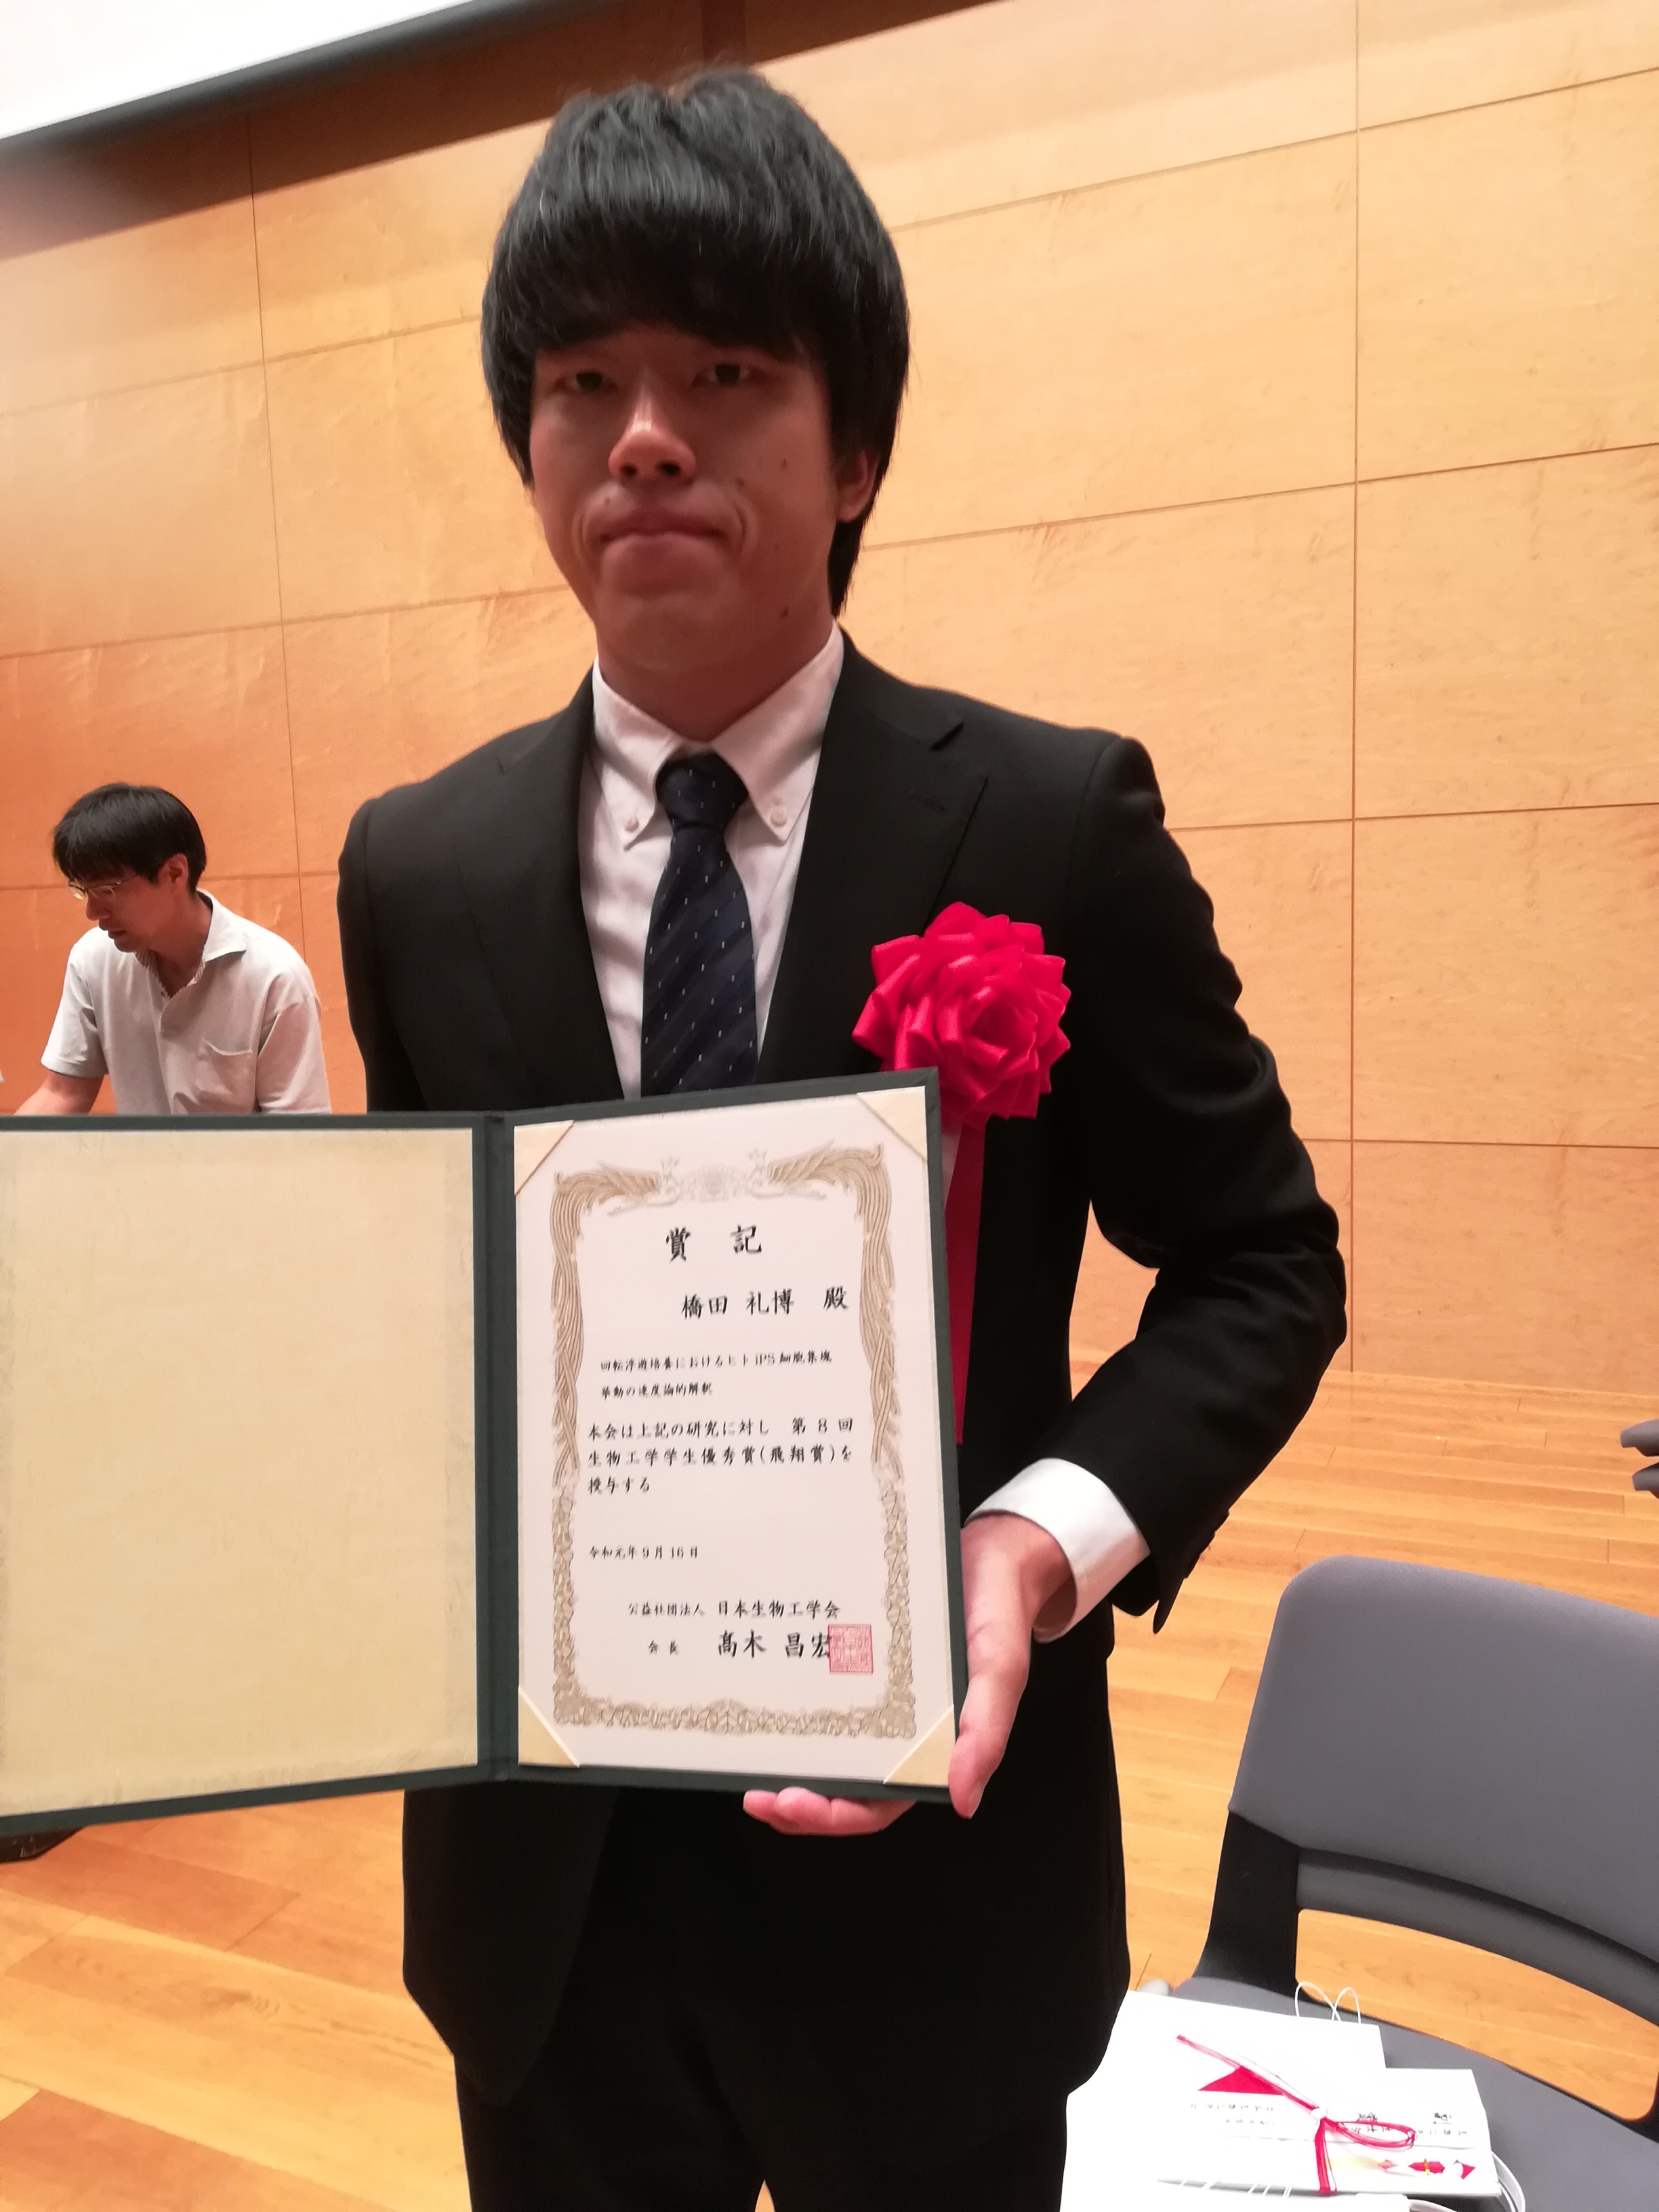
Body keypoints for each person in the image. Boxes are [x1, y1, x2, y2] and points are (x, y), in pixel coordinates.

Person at [337, 71, 1346, 2212]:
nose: (643, 434)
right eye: (582, 380)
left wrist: (1036, 1543)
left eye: (724, 371)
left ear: (857, 443)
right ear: (529, 444)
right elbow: (429, 1311)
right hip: (546, 1908)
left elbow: (1263, 1262)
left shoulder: (1053, 823)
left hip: (933, 1887)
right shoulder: (413, 868)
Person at [15, 783, 329, 1118]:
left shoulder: (274, 977)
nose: (92, 912)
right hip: (138, 1155)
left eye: (107, 890)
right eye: (83, 890)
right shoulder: (94, 960)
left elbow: (297, 1132)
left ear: (175, 873)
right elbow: (63, 1094)